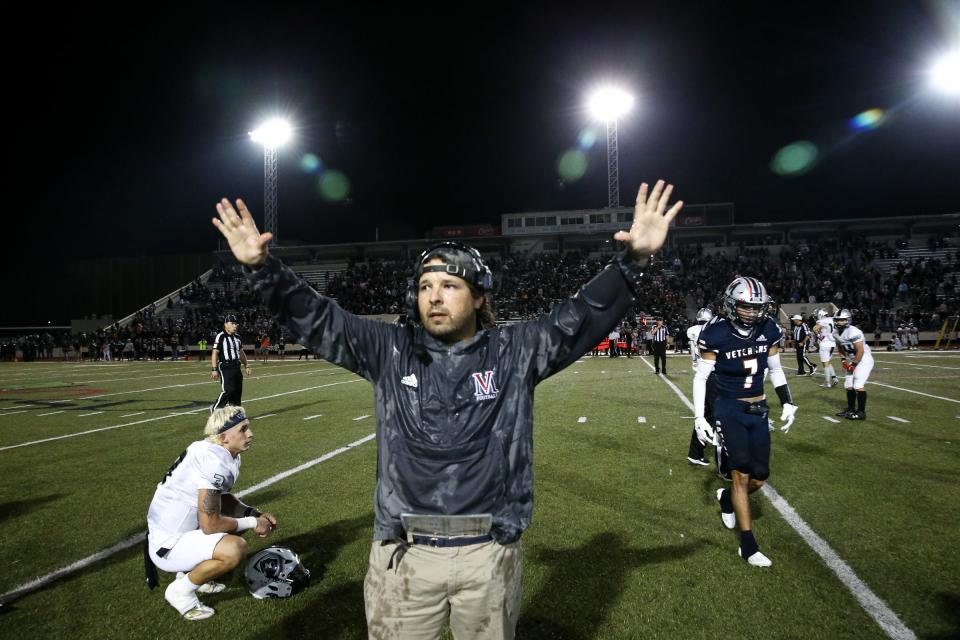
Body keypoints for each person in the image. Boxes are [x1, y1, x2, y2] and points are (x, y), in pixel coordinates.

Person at [212, 179, 683, 639]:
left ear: (480, 295)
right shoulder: (387, 349)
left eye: (450, 285)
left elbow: (583, 316)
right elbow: (317, 318)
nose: (434, 296)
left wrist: (633, 259)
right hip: (403, 555)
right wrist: (263, 268)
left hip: (489, 554)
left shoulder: (516, 351)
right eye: (425, 286)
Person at [693, 276, 798, 567]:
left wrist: (787, 400)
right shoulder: (715, 333)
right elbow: (701, 377)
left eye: (757, 308)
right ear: (730, 305)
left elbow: (776, 371)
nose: (752, 313)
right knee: (740, 473)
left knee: (760, 476)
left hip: (759, 408)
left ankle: (727, 498)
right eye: (745, 307)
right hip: (729, 409)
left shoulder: (769, 329)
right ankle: (748, 544)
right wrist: (700, 416)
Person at [145, 406, 278, 620]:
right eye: (243, 429)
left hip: (177, 531)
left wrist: (254, 513)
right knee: (235, 548)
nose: (250, 434)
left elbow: (221, 497)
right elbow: (211, 525)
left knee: (234, 527)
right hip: (168, 543)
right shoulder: (215, 461)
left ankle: (196, 574)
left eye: (249, 428)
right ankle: (181, 592)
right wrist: (254, 523)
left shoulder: (220, 451)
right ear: (224, 437)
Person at [685, 307, 728, 477]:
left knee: (708, 416)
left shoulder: (693, 330)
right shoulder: (713, 330)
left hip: (702, 371)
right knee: (720, 419)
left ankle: (695, 453)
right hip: (712, 373)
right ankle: (724, 467)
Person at [833, 309, 874, 420]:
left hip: (863, 359)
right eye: (837, 320)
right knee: (848, 385)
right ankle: (851, 409)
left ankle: (861, 413)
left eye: (842, 320)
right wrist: (843, 360)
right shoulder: (835, 332)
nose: (838, 322)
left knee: (858, 385)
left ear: (848, 320)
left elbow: (860, 351)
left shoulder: (854, 331)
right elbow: (840, 346)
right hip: (854, 359)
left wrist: (854, 364)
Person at [211, 315, 251, 412]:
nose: (235, 326)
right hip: (225, 366)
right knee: (228, 390)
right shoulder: (221, 336)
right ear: (225, 325)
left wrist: (247, 365)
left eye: (236, 324)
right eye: (232, 323)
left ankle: (235, 413)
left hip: (236, 366)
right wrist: (214, 369)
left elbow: (241, 352)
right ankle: (216, 409)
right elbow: (215, 353)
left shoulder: (237, 337)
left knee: (237, 392)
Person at [815, 308, 838, 388]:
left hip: (825, 344)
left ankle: (827, 382)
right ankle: (834, 379)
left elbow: (815, 328)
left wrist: (818, 335)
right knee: (828, 362)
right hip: (833, 344)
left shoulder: (823, 320)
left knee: (825, 364)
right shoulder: (832, 319)